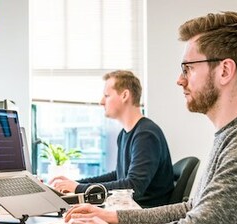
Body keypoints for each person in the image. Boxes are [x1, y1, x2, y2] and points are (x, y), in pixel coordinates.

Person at [63, 11, 237, 224]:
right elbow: (191, 209)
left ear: (224, 71)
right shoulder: (233, 134)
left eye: (188, 68)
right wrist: (113, 217)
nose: (179, 80)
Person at [49, 70, 175, 208]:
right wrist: (77, 184)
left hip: (144, 215)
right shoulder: (125, 134)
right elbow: (119, 175)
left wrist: (79, 188)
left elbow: (133, 187)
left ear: (125, 95)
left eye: (107, 96)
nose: (101, 102)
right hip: (130, 210)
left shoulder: (146, 135)